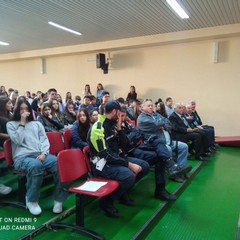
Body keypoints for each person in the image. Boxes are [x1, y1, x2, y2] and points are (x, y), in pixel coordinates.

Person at [87, 100, 149, 217]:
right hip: (102, 164)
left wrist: (120, 129)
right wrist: (128, 164)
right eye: (120, 113)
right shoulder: (98, 128)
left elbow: (125, 145)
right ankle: (106, 202)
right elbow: (105, 155)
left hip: (115, 159)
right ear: (115, 111)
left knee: (144, 166)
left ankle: (122, 193)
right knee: (128, 176)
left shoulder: (112, 124)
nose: (121, 116)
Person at [7, 99, 68, 215]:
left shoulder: (37, 124)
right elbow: (17, 140)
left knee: (59, 164)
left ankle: (59, 199)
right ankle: (31, 200)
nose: (24, 112)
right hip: (22, 158)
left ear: (30, 110)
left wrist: (44, 153)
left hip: (39, 154)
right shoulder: (11, 124)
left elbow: (44, 140)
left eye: (26, 109)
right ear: (17, 111)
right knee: (36, 165)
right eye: (21, 109)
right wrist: (22, 123)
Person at [137, 99, 192, 184]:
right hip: (154, 144)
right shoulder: (142, 118)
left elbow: (168, 122)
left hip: (167, 140)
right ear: (142, 107)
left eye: (152, 105)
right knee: (168, 149)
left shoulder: (155, 114)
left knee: (184, 146)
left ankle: (181, 169)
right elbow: (156, 124)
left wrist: (162, 125)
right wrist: (161, 123)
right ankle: (173, 173)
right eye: (148, 105)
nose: (151, 107)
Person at [0, 96, 13, 195]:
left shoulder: (10, 115)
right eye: (9, 103)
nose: (11, 105)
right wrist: (12, 136)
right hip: (4, 143)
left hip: (12, 142)